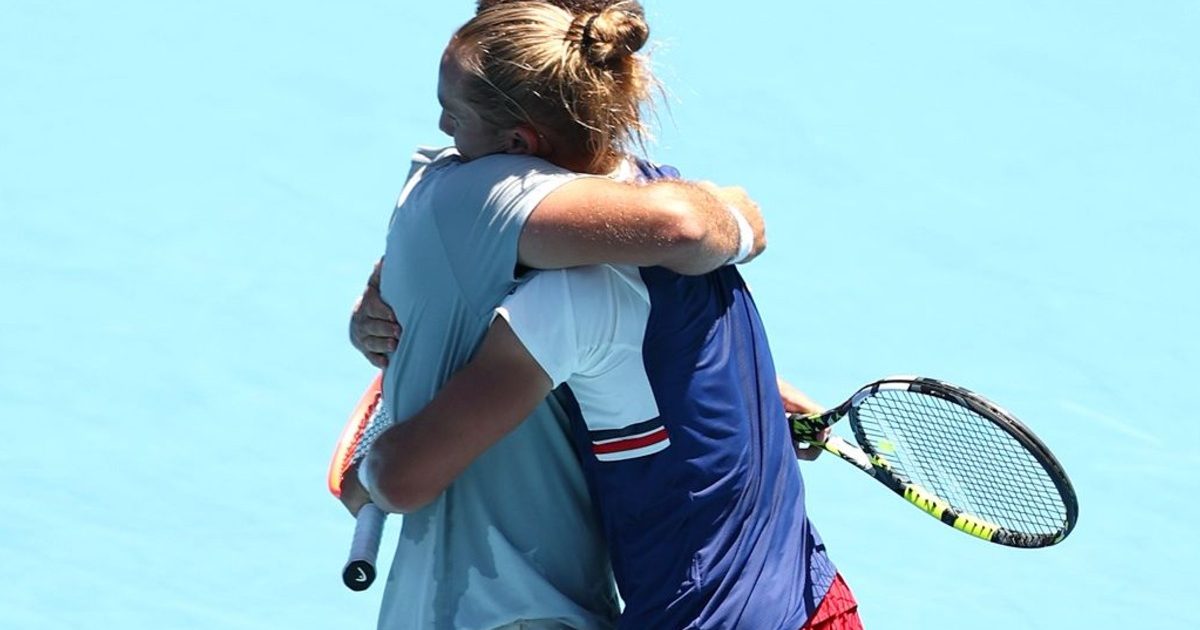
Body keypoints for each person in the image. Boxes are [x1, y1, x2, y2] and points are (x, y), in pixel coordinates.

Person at [354, 2, 863, 629]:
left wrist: (369, 464)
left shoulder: (569, 294)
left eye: (455, 117)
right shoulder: (671, 193)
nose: (440, 130)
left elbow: (403, 476)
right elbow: (695, 240)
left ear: (518, 147)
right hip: (820, 604)